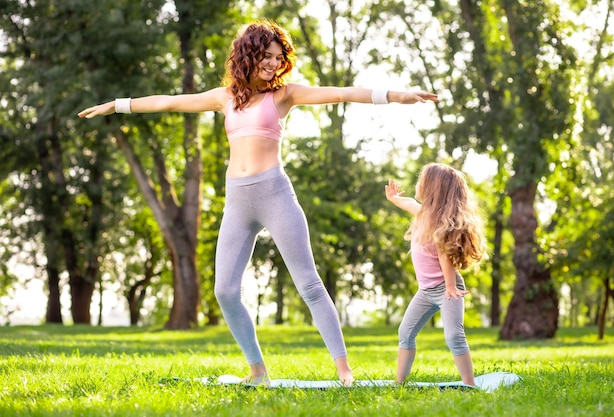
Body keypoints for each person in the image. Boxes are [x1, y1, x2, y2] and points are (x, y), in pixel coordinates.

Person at [79, 20, 438, 386]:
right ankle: (257, 370)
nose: (272, 64)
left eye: (278, 58)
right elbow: (169, 102)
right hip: (237, 200)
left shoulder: (284, 95)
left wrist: (396, 95)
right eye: (266, 56)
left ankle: (344, 371)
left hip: (274, 194)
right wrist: (116, 105)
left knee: (310, 285)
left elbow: (343, 92)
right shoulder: (225, 98)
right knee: (224, 291)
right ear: (248, 54)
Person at [384, 163, 488, 386]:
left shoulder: (439, 223)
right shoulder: (423, 213)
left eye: (422, 180)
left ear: (432, 188)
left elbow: (446, 258)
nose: (418, 183)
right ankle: (399, 382)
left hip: (446, 288)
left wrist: (451, 287)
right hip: (425, 291)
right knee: (406, 332)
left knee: (454, 336)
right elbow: (410, 203)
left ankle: (469, 383)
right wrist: (394, 199)